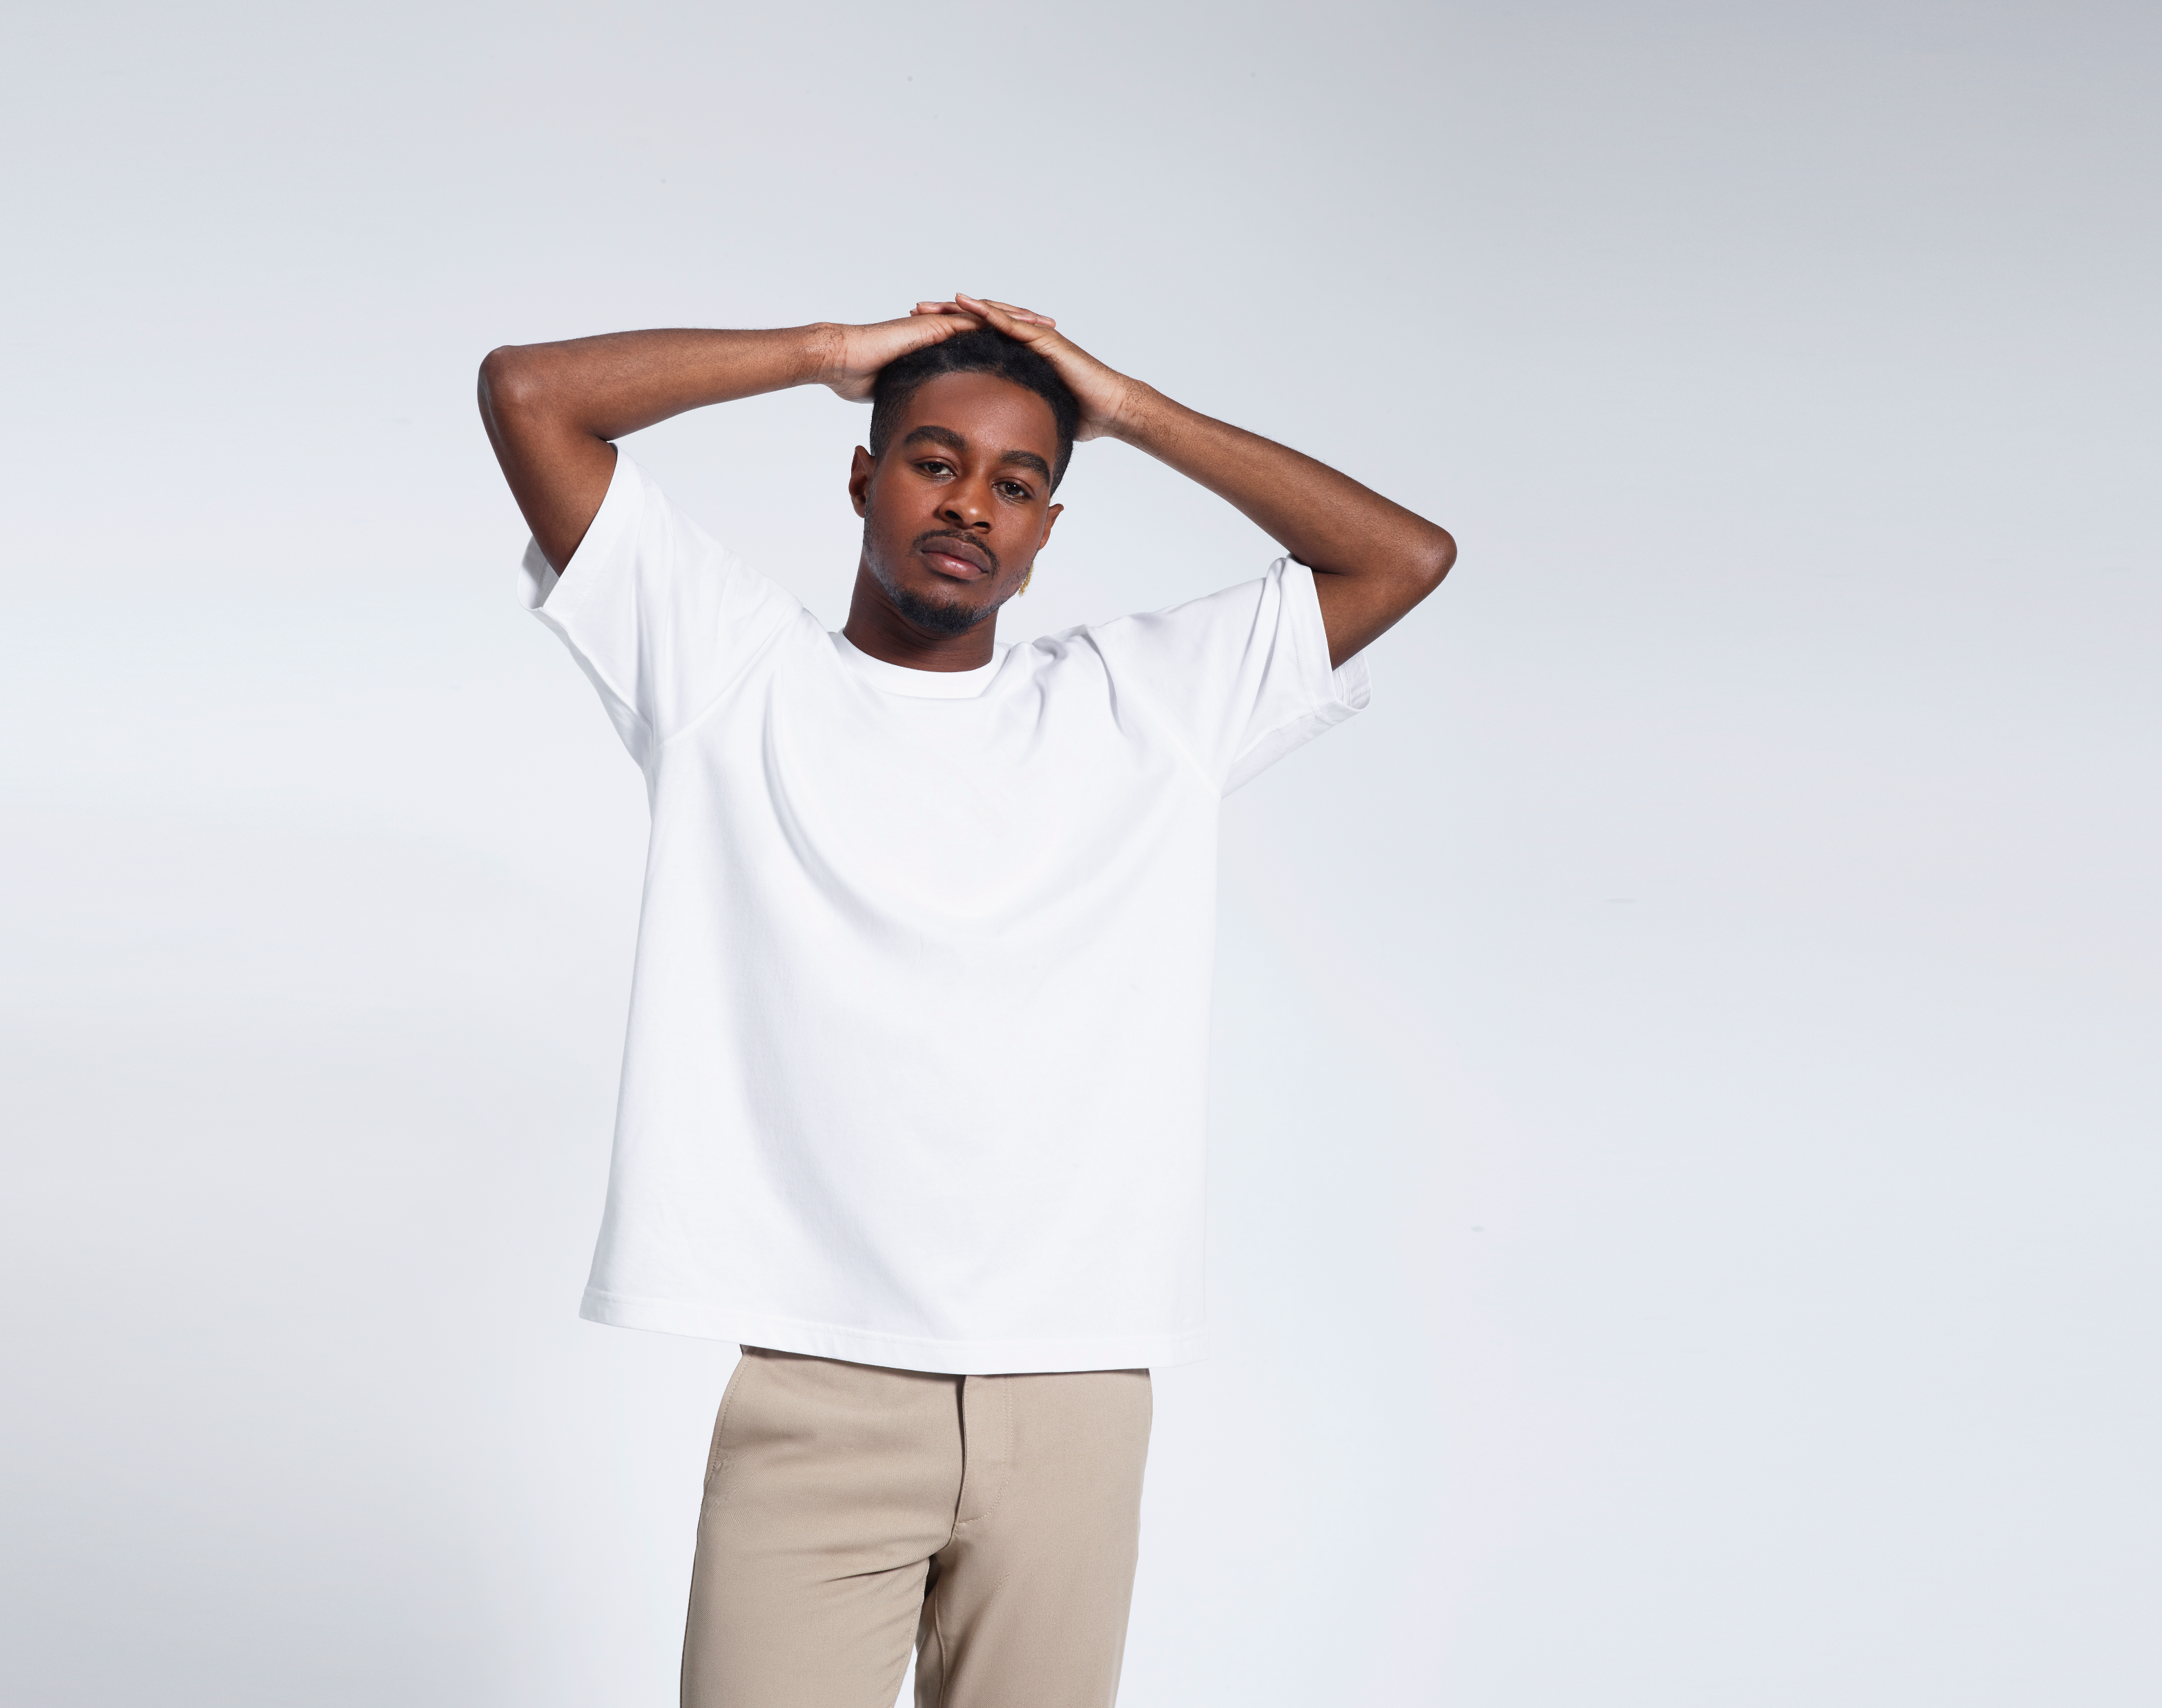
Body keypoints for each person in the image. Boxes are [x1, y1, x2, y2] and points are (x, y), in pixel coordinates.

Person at [477, 296, 1452, 1708]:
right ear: (864, 475)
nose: (973, 505)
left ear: (1049, 528)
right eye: (934, 461)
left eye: (1018, 483)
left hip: (1073, 1387)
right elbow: (528, 395)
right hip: (819, 1386)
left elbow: (1403, 554)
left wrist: (1125, 409)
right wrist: (820, 357)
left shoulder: (1142, 707)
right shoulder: (727, 672)